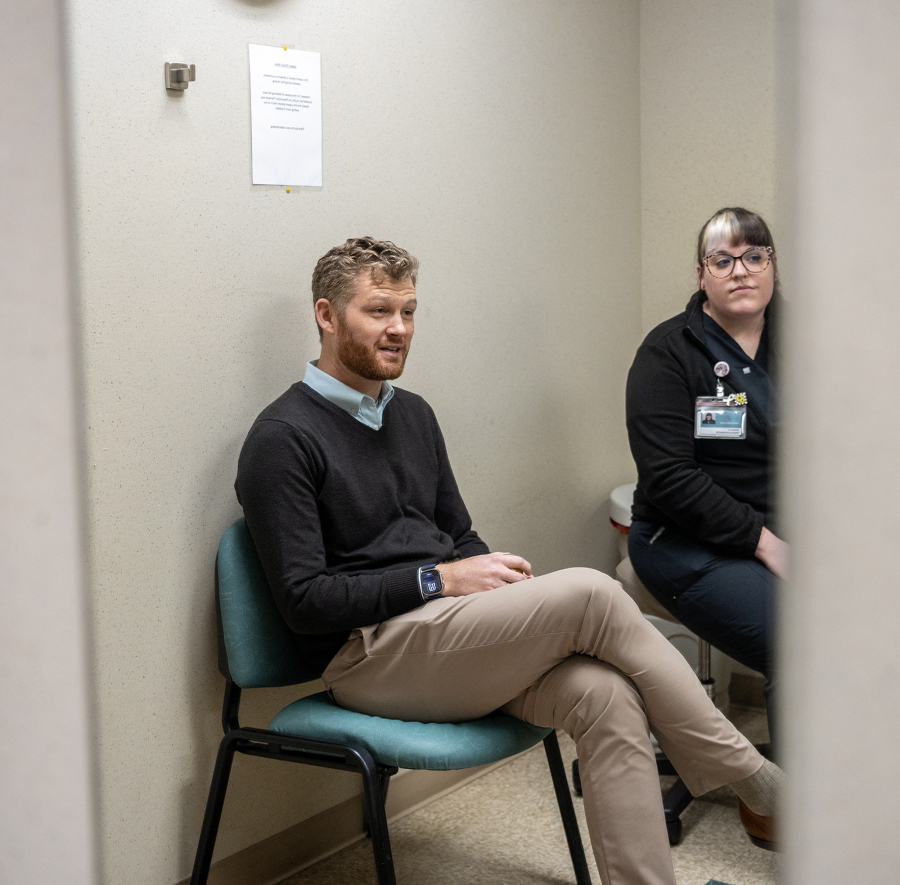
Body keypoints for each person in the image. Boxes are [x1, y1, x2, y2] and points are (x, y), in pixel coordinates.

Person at [235, 236, 782, 882]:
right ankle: (756, 777)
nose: (399, 329)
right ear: (326, 315)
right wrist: (439, 577)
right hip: (368, 655)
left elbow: (458, 534)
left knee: (605, 695)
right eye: (378, 311)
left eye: (409, 312)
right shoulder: (281, 439)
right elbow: (304, 602)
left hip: (446, 635)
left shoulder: (413, 416)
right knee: (592, 592)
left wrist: (486, 581)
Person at [626, 207, 784, 749]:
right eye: (723, 260)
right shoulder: (667, 353)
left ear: (773, 266)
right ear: (701, 276)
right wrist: (766, 544)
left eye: (754, 256)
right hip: (684, 540)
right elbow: (670, 478)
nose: (741, 270)